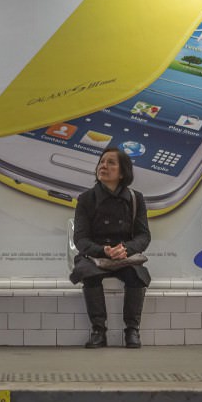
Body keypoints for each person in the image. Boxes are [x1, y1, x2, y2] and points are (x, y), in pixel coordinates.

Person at [69, 147, 151, 349]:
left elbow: (144, 235)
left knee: (136, 276)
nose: (103, 166)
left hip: (124, 255)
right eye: (101, 161)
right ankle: (98, 330)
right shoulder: (86, 198)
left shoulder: (135, 198)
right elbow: (80, 238)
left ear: (122, 172)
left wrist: (125, 249)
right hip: (95, 254)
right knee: (90, 275)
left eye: (111, 162)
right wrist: (103, 250)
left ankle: (132, 330)